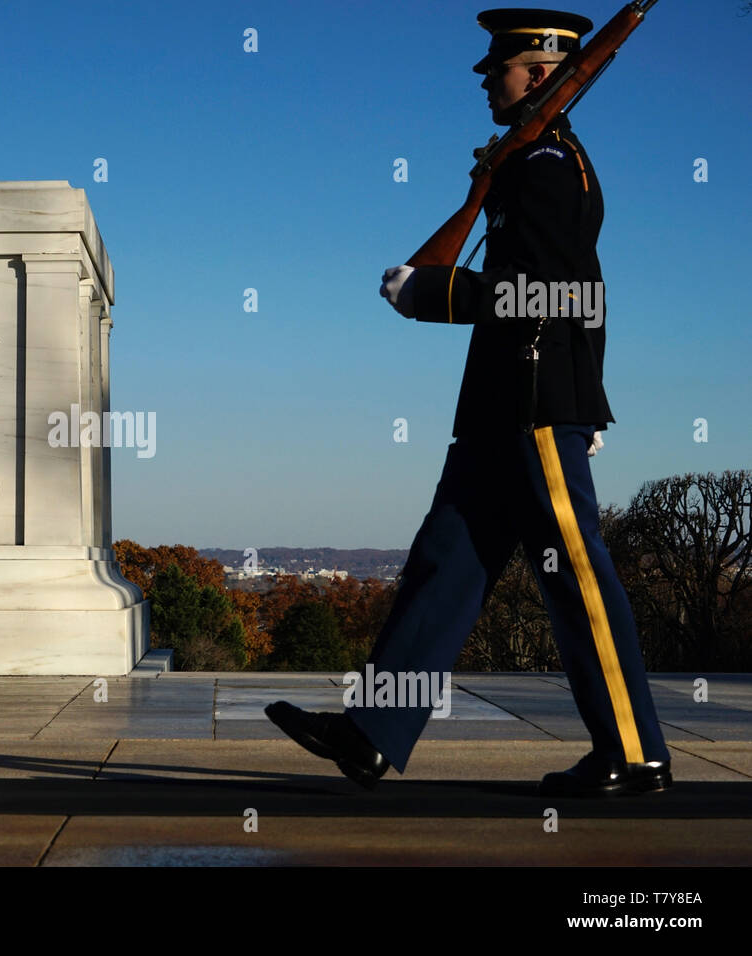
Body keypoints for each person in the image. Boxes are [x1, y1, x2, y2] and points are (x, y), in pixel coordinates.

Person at [265, 8, 672, 797]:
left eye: (503, 69)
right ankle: (373, 730)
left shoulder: (546, 163)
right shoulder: (527, 161)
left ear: (544, 75)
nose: (489, 79)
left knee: (576, 574)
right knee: (446, 565)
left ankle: (634, 750)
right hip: (500, 404)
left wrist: (435, 292)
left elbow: (558, 294)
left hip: (535, 399)